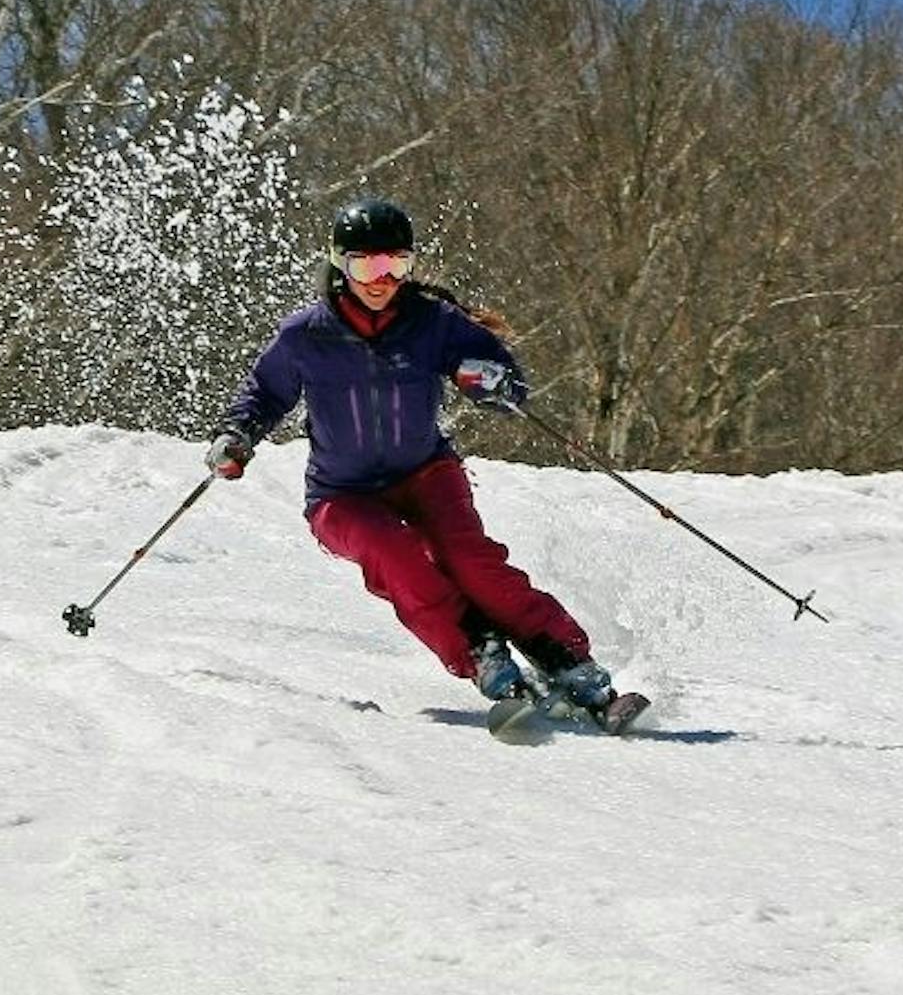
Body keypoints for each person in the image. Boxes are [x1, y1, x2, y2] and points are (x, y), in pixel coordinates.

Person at [205, 197, 623, 720]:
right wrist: (236, 436)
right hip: (342, 494)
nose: (381, 279)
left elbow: (504, 376)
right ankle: (481, 651)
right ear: (339, 264)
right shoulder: (306, 335)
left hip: (426, 472)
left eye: (395, 264)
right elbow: (264, 394)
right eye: (366, 265)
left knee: (471, 562)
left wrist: (492, 383)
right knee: (397, 557)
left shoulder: (433, 322)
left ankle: (567, 659)